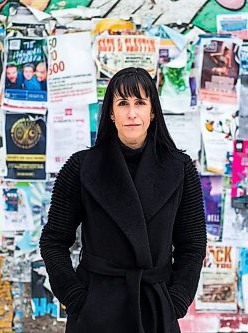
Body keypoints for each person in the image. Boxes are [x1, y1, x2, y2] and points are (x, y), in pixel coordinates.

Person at [40, 67, 206, 333]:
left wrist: (176, 300)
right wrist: (75, 298)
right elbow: (53, 241)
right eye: (122, 103)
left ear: (152, 111)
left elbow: (193, 245)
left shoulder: (181, 168)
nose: (131, 113)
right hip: (96, 311)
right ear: (111, 113)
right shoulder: (81, 166)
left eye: (140, 103)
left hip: (155, 310)